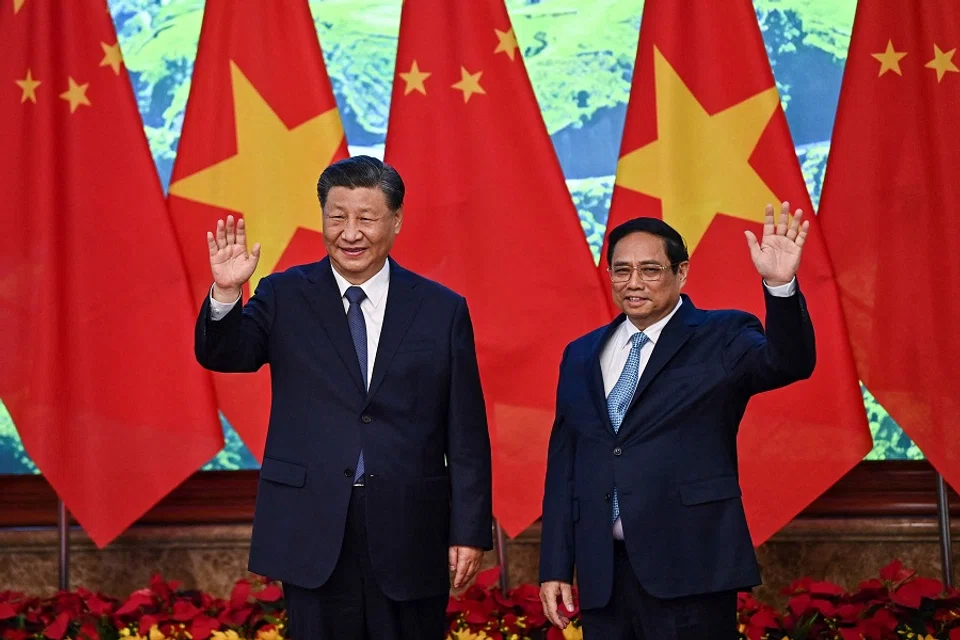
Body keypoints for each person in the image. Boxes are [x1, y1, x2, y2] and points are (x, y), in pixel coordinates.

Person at [195, 155, 492, 639]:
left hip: (410, 524)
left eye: (366, 218)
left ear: (395, 221)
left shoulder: (440, 309)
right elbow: (227, 355)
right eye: (337, 217)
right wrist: (227, 294)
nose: (349, 232)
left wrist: (469, 530)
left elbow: (466, 434)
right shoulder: (284, 294)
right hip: (312, 523)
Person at [538, 204, 815, 639]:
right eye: (621, 270)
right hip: (603, 577)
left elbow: (788, 362)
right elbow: (565, 464)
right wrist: (554, 565)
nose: (633, 283)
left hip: (690, 571)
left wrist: (780, 286)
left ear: (681, 272)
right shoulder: (580, 353)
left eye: (650, 270)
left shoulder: (721, 335)